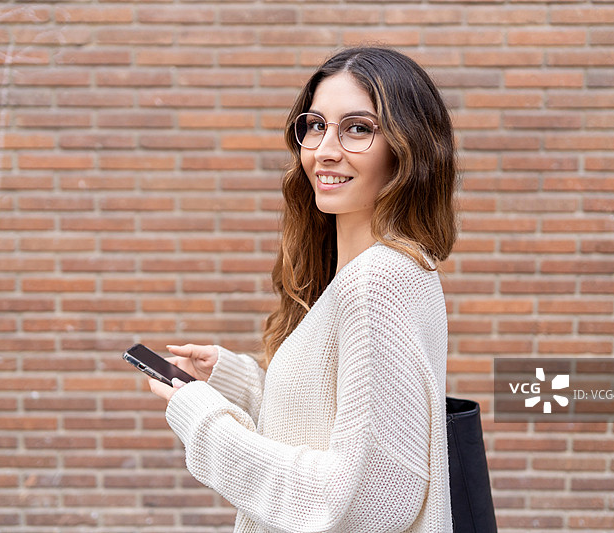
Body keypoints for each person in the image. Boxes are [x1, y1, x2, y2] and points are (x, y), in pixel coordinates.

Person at [148, 46, 458, 532]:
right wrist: (235, 382)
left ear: (408, 147)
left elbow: (366, 502)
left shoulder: (374, 284)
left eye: (358, 128)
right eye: (316, 125)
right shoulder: (380, 271)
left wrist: (203, 419)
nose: (324, 150)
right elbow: (335, 425)